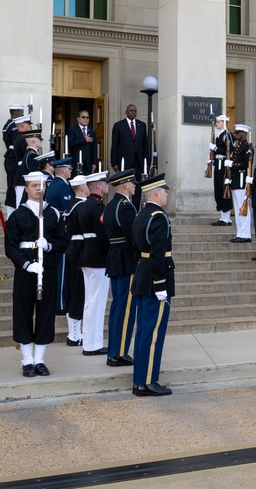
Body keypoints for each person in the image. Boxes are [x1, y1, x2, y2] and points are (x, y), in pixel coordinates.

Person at [5, 172, 67, 377]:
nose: (38, 189)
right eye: (34, 186)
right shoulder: (17, 215)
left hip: (47, 268)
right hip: (26, 270)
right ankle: (27, 360)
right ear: (27, 188)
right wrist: (25, 264)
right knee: (23, 311)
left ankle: (40, 359)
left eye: (41, 185)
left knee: (45, 312)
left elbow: (63, 242)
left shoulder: (53, 213)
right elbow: (10, 246)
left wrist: (49, 245)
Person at [131, 173, 175, 396]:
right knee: (152, 333)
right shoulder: (158, 217)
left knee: (143, 332)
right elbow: (158, 254)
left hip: (142, 276)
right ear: (156, 193)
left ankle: (140, 379)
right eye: (164, 191)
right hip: (154, 280)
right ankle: (148, 382)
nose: (167, 194)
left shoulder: (141, 215)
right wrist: (160, 285)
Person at [104, 169, 138, 367]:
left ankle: (113, 351)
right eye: (132, 183)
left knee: (117, 306)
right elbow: (132, 236)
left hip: (115, 257)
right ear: (125, 185)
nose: (135, 186)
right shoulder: (126, 207)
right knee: (125, 309)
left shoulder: (110, 205)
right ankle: (120, 353)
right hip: (125, 260)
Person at [76, 171, 110, 355]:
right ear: (98, 186)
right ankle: (93, 344)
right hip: (97, 257)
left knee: (90, 301)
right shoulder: (97, 207)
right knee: (96, 302)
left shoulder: (85, 205)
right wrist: (110, 252)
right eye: (105, 183)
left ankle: (89, 342)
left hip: (87, 254)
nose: (107, 185)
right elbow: (103, 234)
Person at [44, 157, 75, 314]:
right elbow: (69, 208)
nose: (71, 171)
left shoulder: (54, 184)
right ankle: (60, 304)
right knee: (61, 272)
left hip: (55, 231)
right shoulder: (61, 186)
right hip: (61, 230)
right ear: (63, 170)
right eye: (69, 169)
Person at [62, 175, 88, 346]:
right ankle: (75, 334)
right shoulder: (82, 206)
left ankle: (74, 332)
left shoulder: (72, 205)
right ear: (82, 188)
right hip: (80, 248)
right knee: (78, 291)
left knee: (73, 289)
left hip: (72, 247)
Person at [111, 104, 149, 206]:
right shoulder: (119, 125)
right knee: (125, 186)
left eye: (135, 111)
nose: (133, 112)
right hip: (125, 161)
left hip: (139, 161)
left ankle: (135, 210)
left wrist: (147, 162)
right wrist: (114, 162)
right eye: (131, 110)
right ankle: (124, 207)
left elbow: (145, 145)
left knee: (137, 187)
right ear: (126, 112)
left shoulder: (142, 125)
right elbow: (114, 144)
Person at [5, 125, 41, 211]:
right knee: (21, 205)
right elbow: (33, 172)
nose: (41, 141)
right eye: (39, 139)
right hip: (22, 181)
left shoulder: (31, 153)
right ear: (33, 141)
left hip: (23, 181)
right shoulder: (31, 154)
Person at [228, 125, 254, 244]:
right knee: (238, 208)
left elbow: (245, 164)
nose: (236, 135)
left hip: (242, 181)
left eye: (238, 133)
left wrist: (232, 165)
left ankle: (246, 234)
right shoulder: (238, 147)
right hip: (235, 181)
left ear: (244, 133)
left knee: (243, 208)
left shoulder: (247, 147)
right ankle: (240, 233)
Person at [209, 114, 235, 226]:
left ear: (224, 122)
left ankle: (227, 218)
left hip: (224, 165)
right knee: (219, 190)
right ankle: (223, 217)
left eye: (219, 122)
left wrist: (215, 148)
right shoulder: (219, 134)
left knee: (224, 191)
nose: (216, 124)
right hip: (218, 164)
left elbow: (229, 150)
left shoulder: (227, 134)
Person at [66, 109, 97, 176]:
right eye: (83, 117)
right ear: (78, 119)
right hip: (76, 163)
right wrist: (84, 140)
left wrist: (94, 163)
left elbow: (94, 149)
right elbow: (71, 143)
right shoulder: (72, 130)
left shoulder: (91, 132)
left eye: (87, 117)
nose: (85, 119)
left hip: (88, 164)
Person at [2, 105, 26, 188]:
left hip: (10, 156)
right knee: (13, 184)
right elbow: (17, 143)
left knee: (11, 182)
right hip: (14, 157)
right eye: (22, 113)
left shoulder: (8, 124)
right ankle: (11, 201)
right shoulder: (14, 126)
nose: (23, 115)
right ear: (16, 113)